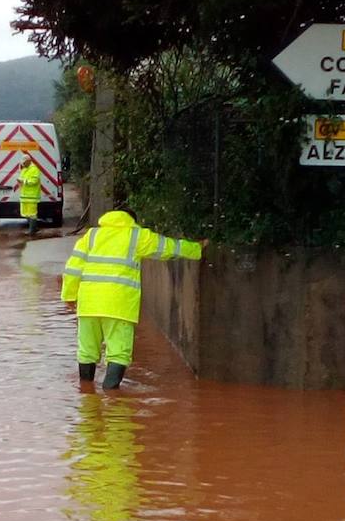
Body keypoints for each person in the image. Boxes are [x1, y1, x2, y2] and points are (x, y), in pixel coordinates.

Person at [61, 208, 206, 389]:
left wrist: (69, 296)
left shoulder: (91, 236)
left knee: (87, 351)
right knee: (118, 352)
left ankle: (86, 395)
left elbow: (73, 269)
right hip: (119, 306)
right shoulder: (137, 236)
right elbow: (168, 247)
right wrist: (196, 249)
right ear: (132, 220)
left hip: (88, 304)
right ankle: (112, 400)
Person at [17, 153, 41, 235]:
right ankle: (34, 227)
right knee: (25, 213)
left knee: (32, 214)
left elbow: (34, 181)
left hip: (32, 196)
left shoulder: (34, 169)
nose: (23, 164)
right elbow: (21, 178)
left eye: (24, 162)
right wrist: (19, 180)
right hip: (24, 196)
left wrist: (23, 181)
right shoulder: (24, 169)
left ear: (29, 161)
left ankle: (32, 230)